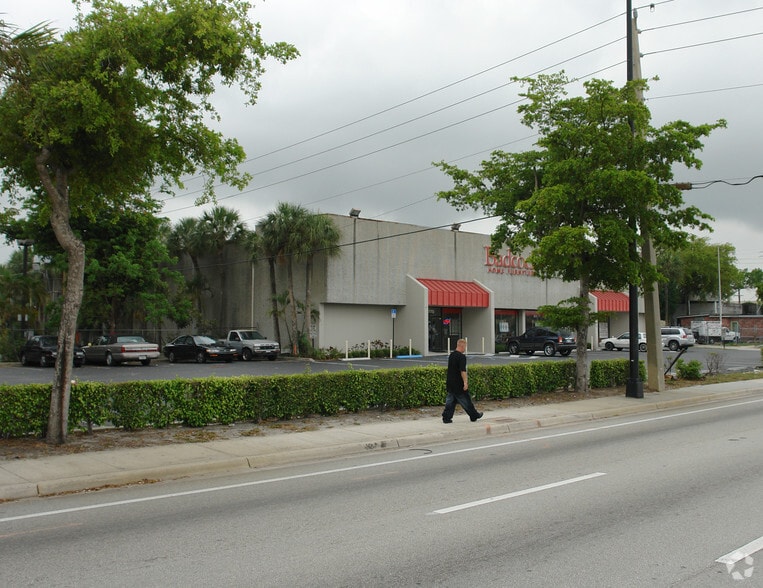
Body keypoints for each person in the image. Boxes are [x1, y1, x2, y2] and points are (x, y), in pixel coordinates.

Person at [442, 338, 483, 423]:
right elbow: (463, 371)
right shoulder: (461, 357)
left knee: (450, 400)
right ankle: (474, 415)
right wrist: (465, 382)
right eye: (465, 347)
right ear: (462, 346)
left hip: (450, 382)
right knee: (466, 400)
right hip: (458, 383)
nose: (465, 349)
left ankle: (446, 417)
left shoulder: (451, 355)